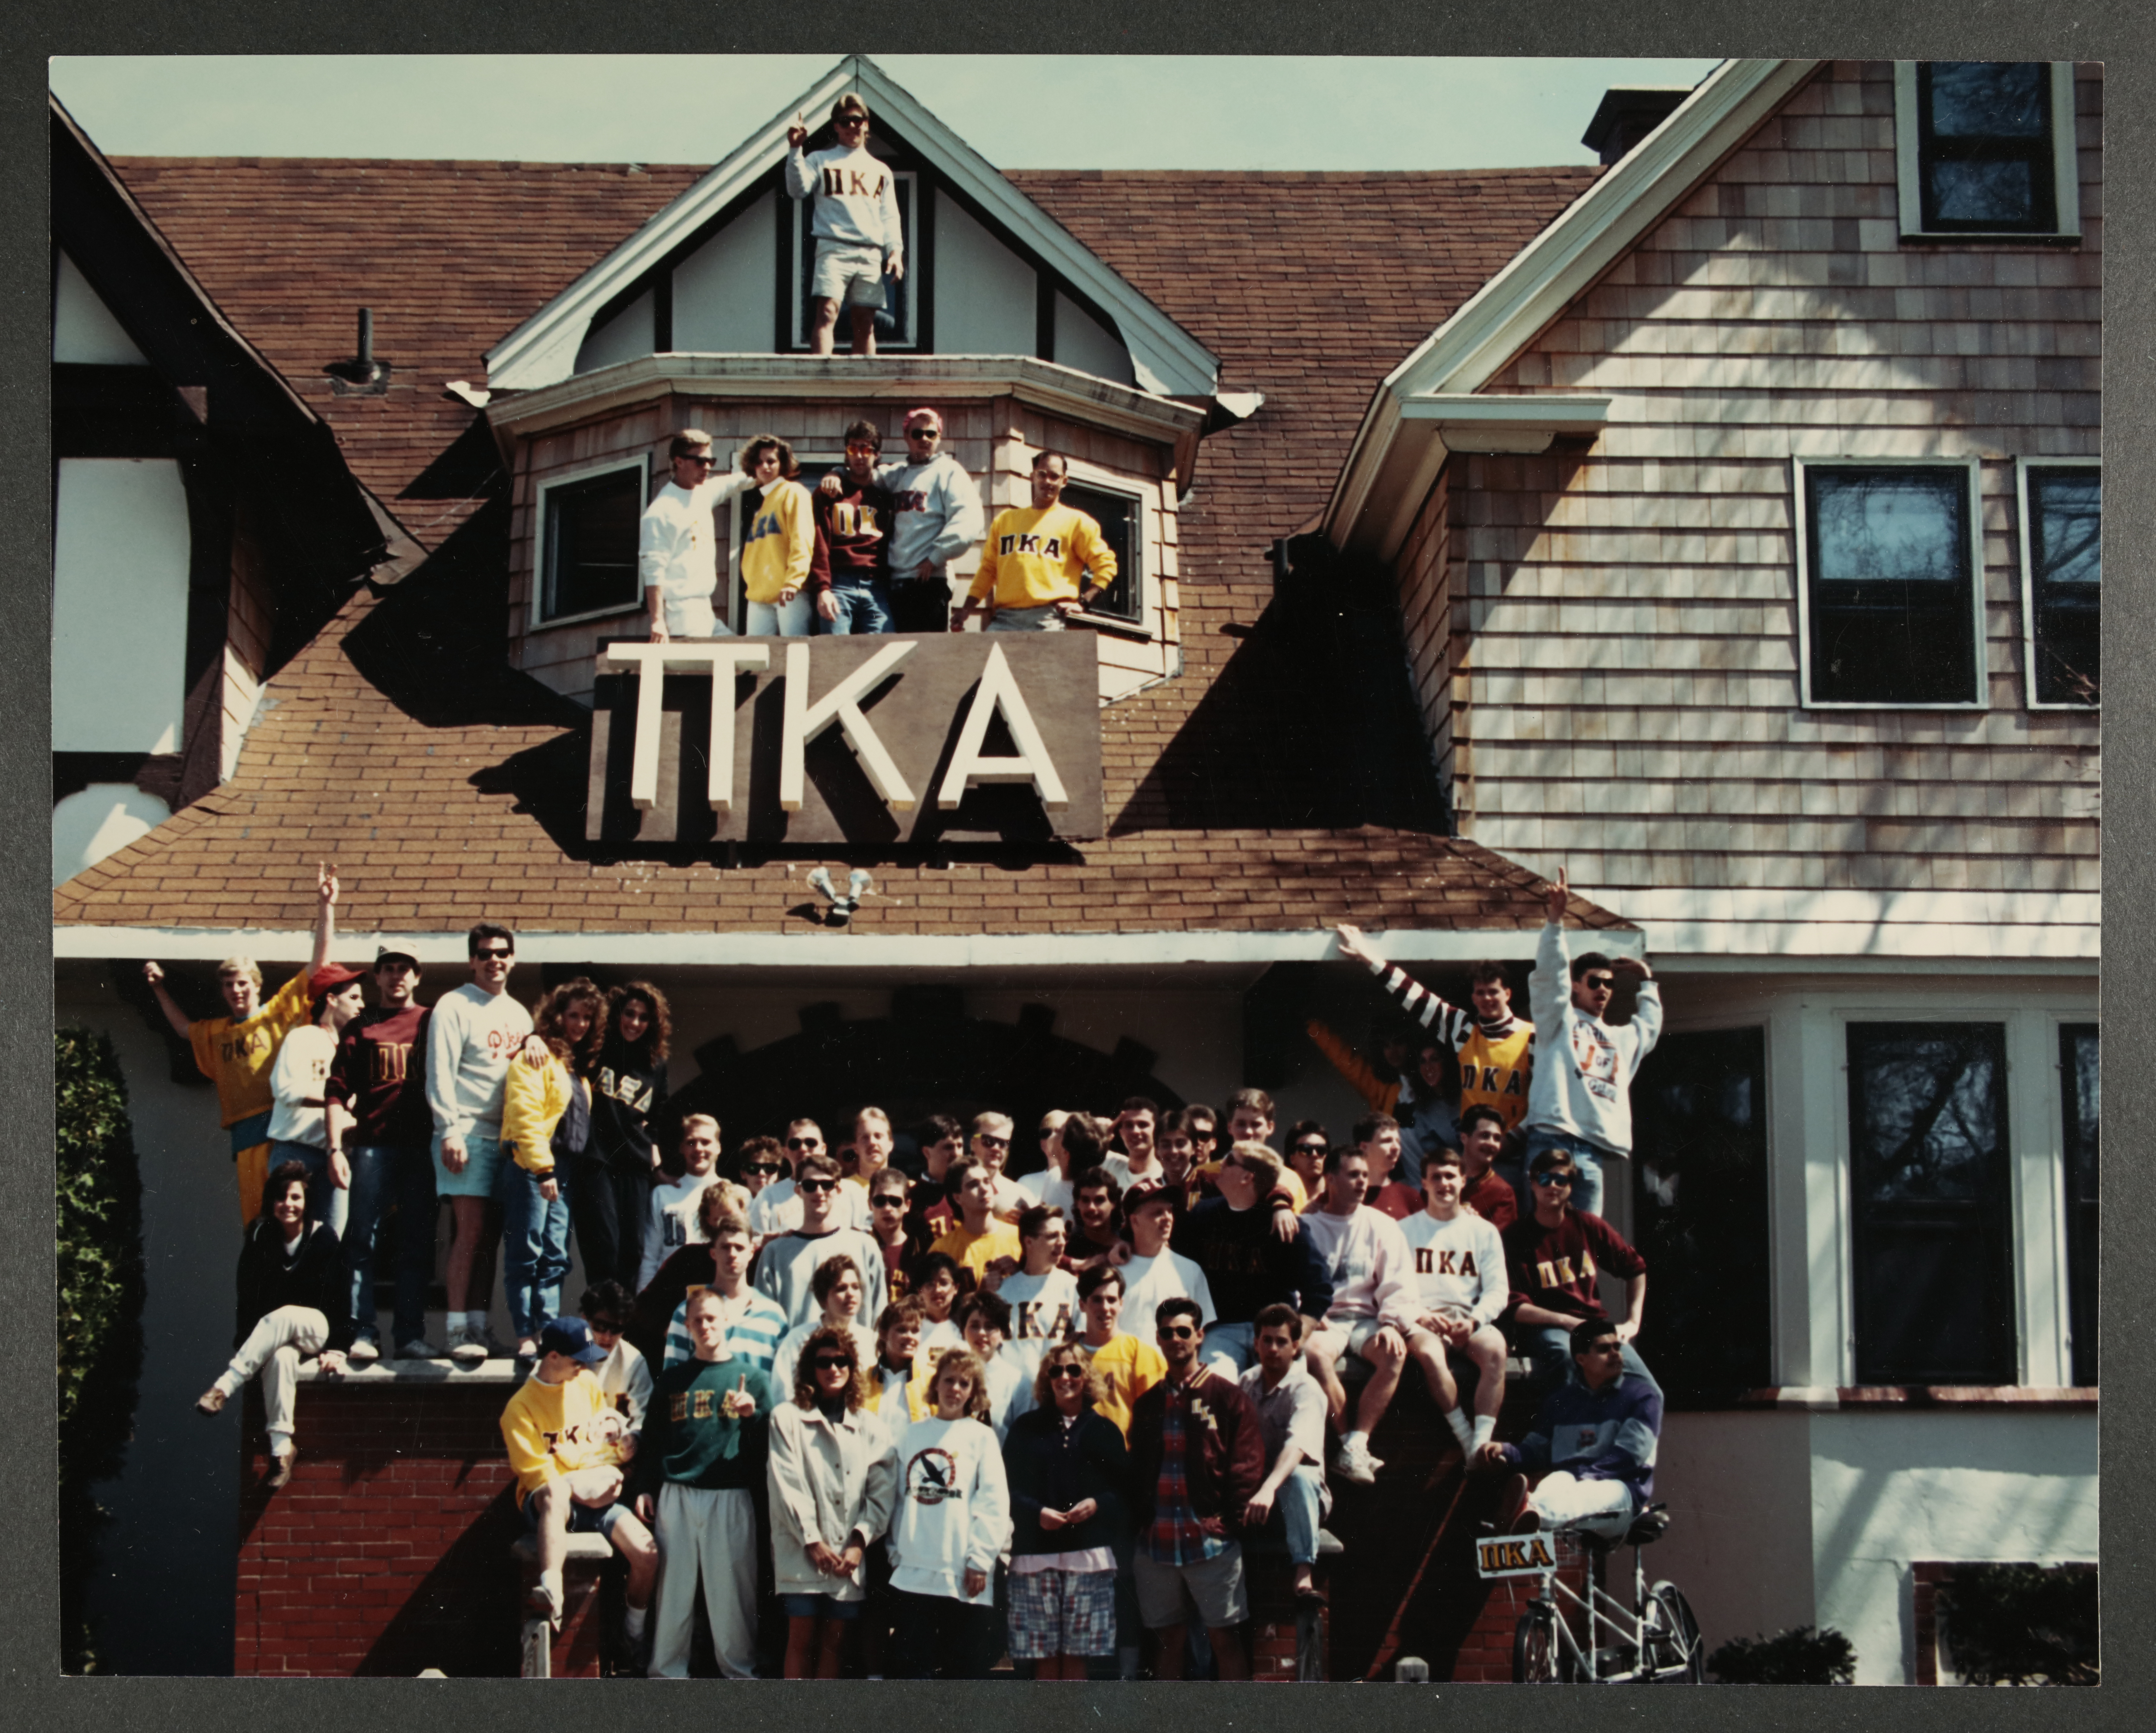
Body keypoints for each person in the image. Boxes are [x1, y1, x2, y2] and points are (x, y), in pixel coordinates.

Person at [142, 862, 337, 1226]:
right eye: (230, 985)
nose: (236, 990)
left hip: (286, 1133)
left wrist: (326, 906)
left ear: (257, 985)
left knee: (296, 1221)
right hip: (247, 1140)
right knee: (259, 1225)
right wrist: (158, 988)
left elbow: (319, 965)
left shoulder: (277, 1014)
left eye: (243, 983)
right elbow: (185, 1030)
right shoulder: (220, 1031)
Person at [634, 1288, 775, 1678]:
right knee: (674, 1595)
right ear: (687, 1326)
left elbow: (768, 1451)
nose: (705, 1326)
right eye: (697, 1320)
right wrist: (646, 1487)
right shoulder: (673, 1380)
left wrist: (751, 1417)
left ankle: (739, 1675)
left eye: (712, 1318)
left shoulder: (753, 1380)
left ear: (726, 1319)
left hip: (730, 1496)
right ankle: (666, 1676)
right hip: (677, 1495)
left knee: (732, 1596)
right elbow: (654, 1439)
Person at [1127, 1298, 1262, 1680]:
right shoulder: (1149, 1404)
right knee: (1168, 1641)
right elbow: (1138, 1470)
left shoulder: (1226, 1397)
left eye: (1183, 1331)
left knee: (1225, 1640)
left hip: (1211, 1544)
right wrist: (1142, 1520)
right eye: (1167, 1332)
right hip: (1158, 1545)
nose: (1175, 1339)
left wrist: (1227, 1522)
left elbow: (1247, 1465)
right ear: (1158, 1338)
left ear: (1200, 1335)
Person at [195, 1160, 353, 1488]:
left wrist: (339, 1346)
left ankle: (224, 1386)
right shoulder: (259, 1236)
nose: (289, 1205)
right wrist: (249, 1343)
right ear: (271, 1202)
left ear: (306, 1201)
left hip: (316, 1329)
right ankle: (282, 1451)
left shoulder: (324, 1237)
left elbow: (340, 1297)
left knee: (284, 1314)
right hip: (278, 1335)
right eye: (281, 1198)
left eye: (295, 1197)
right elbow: (248, 1297)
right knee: (280, 1358)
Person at [499, 1315, 658, 1633]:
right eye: (578, 1360)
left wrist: (614, 1464)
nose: (584, 1367)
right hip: (549, 1501)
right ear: (553, 1356)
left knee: (647, 1553)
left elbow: (599, 1441)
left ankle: (634, 1632)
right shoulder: (519, 1407)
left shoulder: (585, 1383)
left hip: (593, 1490)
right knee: (556, 1492)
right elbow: (536, 1474)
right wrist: (582, 1487)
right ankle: (551, 1590)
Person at [1520, 867, 1662, 1219]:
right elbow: (1549, 978)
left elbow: (1648, 1027)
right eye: (1594, 981)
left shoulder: (1618, 1038)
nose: (1603, 989)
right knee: (1540, 1237)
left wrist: (1646, 981)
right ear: (1576, 986)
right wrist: (1555, 921)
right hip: (1551, 1138)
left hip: (1591, 1151)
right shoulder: (1558, 1019)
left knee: (1586, 1242)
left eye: (1609, 984)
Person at [426, 922, 534, 1363]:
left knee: (491, 1237)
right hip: (466, 1133)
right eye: (485, 954)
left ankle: (478, 1324)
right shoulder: (454, 1006)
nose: (495, 961)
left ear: (512, 959)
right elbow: (440, 1073)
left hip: (507, 1139)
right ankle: (455, 1329)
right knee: (468, 1232)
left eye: (502, 953)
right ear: (472, 960)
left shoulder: (519, 1014)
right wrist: (449, 1129)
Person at [767, 1323, 900, 1678]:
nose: (833, 1369)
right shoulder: (786, 1417)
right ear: (811, 1367)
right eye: (824, 1362)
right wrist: (812, 1540)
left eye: (842, 1360)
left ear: (852, 1367)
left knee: (834, 1644)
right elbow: (787, 1485)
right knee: (800, 1640)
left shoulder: (871, 1426)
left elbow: (882, 1489)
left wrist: (858, 1543)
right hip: (801, 1553)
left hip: (847, 1559)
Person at [324, 940, 436, 1360]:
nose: (397, 976)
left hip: (421, 1150)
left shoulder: (432, 1021)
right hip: (373, 1147)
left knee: (416, 1244)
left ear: (417, 975)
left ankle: (409, 1335)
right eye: (388, 968)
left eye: (405, 968)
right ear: (377, 976)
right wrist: (335, 1148)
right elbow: (336, 1091)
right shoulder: (362, 1025)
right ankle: (363, 1333)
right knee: (361, 1241)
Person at [1335, 923, 1538, 1150]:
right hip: (1470, 1153)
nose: (1487, 998)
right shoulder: (1464, 1029)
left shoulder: (1530, 1037)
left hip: (1514, 1152)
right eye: (1480, 992)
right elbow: (1416, 997)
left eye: (1493, 991)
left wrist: (1512, 1140)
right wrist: (1368, 957)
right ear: (1473, 997)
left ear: (1507, 994)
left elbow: (1547, 1099)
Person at [1003, 1342, 1130, 1680]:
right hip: (1035, 1555)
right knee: (1044, 1656)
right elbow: (1007, 1489)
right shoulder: (1026, 1428)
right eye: (1056, 1370)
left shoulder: (1104, 1429)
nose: (1064, 1377)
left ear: (1086, 1376)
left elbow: (1123, 1490)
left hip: (1088, 1555)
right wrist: (1036, 1511)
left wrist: (1098, 1503)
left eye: (1073, 1369)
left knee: (1077, 1656)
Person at [1475, 1318, 1664, 1543]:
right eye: (1604, 1349)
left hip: (1621, 1492)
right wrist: (1504, 1452)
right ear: (1581, 1359)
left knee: (1582, 1492)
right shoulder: (1560, 1402)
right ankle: (1527, 1514)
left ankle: (1523, 1517)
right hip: (1567, 1485)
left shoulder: (1642, 1397)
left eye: (1617, 1347)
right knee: (1557, 1481)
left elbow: (1628, 1457)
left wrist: (1583, 1478)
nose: (1615, 1354)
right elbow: (1536, 1449)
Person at [887, 1349, 1011, 1679]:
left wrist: (980, 1559)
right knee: (913, 1671)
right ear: (936, 1384)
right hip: (914, 1572)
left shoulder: (982, 1437)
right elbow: (898, 1499)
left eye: (964, 1382)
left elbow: (994, 1502)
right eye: (949, 1379)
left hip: (963, 1576)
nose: (955, 1388)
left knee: (963, 1674)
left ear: (973, 1391)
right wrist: (895, 1551)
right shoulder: (911, 1434)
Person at [1300, 1146, 1419, 1483]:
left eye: (1365, 1175)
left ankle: (1357, 1442)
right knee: (1313, 1354)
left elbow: (1399, 1281)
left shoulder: (1382, 1225)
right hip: (1325, 1319)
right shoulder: (1306, 1225)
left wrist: (1393, 1323)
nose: (1361, 1182)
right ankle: (1345, 1443)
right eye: (1353, 1175)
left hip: (1366, 1320)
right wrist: (1307, 1313)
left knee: (1394, 1354)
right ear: (1331, 1179)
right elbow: (1290, 1279)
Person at [498, 978, 603, 1357]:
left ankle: (547, 1329)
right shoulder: (535, 1056)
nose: (579, 1024)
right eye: (572, 1015)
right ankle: (526, 1332)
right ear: (556, 1016)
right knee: (527, 1249)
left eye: (587, 1018)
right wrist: (542, 1169)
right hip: (532, 1163)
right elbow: (525, 1115)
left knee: (556, 1252)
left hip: (565, 1169)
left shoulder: (575, 1064)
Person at [1504, 1147, 1657, 1398]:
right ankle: (1572, 1434)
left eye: (1560, 1180)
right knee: (1568, 1359)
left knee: (1646, 1390)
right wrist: (1564, 1321)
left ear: (1570, 1186)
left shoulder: (1587, 1225)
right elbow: (1515, 1307)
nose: (1552, 1186)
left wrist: (1632, 1323)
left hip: (1593, 1326)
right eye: (1544, 1179)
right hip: (1547, 1330)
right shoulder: (1516, 1237)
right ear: (1532, 1183)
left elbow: (1636, 1269)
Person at [1175, 1143, 1334, 1377]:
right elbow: (1173, 1261)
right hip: (1223, 1332)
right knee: (1213, 1391)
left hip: (1276, 1334)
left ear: (1247, 1177)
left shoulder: (1287, 1226)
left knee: (1285, 1396)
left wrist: (1297, 1335)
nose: (1221, 1163)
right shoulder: (1203, 1215)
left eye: (1229, 1161)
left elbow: (1320, 1290)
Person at [1398, 1147, 1510, 1456]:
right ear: (1423, 1182)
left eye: (1450, 1176)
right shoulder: (1404, 1230)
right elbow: (1393, 1289)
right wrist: (1420, 1314)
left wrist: (1474, 1320)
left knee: (1496, 1350)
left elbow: (1498, 1290)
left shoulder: (1483, 1231)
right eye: (1436, 1176)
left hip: (1467, 1318)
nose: (1443, 1183)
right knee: (1431, 1355)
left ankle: (1481, 1442)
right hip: (1424, 1321)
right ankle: (1465, 1437)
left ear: (1463, 1180)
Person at [783, 93, 905, 358]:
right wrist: (795, 150)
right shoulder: (819, 160)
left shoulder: (880, 170)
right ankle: (822, 378)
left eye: (857, 120)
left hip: (870, 253)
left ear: (867, 124)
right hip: (833, 247)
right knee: (827, 311)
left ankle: (864, 383)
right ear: (836, 126)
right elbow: (797, 189)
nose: (852, 126)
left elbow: (890, 216)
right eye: (845, 121)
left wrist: (895, 252)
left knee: (865, 321)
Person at [845, 406, 984, 633]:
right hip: (896, 581)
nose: (924, 439)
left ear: (939, 437)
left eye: (931, 434)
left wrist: (937, 556)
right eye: (917, 433)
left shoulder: (949, 471)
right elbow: (863, 476)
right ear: (906, 437)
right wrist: (836, 473)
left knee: (924, 656)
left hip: (929, 580)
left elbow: (969, 518)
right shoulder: (897, 474)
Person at [575, 982, 672, 1292]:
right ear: (616, 1014)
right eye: (629, 1013)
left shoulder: (656, 1064)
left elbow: (657, 1118)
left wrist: (657, 1165)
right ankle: (600, 1320)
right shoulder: (596, 1048)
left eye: (644, 1017)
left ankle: (621, 1326)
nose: (635, 1022)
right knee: (604, 1246)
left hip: (635, 1165)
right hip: (597, 1160)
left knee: (632, 1250)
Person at [954, 451, 1118, 633]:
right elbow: (988, 569)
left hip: (1050, 619)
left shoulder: (1077, 522)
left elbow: (1107, 565)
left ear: (1064, 481)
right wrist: (966, 610)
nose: (1048, 481)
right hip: (1005, 619)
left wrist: (1084, 602)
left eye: (1055, 476)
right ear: (1033, 477)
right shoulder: (1005, 521)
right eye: (1042, 475)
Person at [264, 963, 366, 1236]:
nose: (362, 1005)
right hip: (296, 1152)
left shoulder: (356, 1047)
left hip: (338, 1156)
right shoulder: (303, 1037)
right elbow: (285, 1089)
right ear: (332, 999)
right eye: (354, 997)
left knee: (332, 1239)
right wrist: (337, 1099)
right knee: (287, 1238)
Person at [1238, 1305, 1331, 1605]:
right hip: (1257, 1497)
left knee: (1300, 1475)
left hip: (1300, 1497)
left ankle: (1304, 1568)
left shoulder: (1307, 1389)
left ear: (1295, 1345)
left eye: (1281, 1341)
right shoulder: (1246, 1382)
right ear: (1255, 1344)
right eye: (1267, 1340)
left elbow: (1297, 1447)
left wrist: (1268, 1488)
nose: (1273, 1348)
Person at [637, 1210, 789, 1376]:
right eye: (725, 1247)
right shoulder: (687, 1312)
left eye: (739, 1248)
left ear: (752, 1252)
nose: (732, 1254)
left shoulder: (773, 1316)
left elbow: (780, 1385)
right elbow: (673, 1383)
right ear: (713, 1253)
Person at [639, 429, 755, 640]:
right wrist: (657, 621)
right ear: (679, 461)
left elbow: (738, 482)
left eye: (711, 460)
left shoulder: (702, 493)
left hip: (705, 611)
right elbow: (653, 570)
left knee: (739, 658)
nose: (708, 467)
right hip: (681, 613)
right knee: (703, 671)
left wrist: (770, 470)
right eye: (700, 462)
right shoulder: (661, 512)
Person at [756, 1152, 890, 1328]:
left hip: (855, 1352)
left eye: (827, 1185)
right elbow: (764, 1321)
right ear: (798, 1191)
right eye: (810, 1185)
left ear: (839, 1190)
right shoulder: (775, 1252)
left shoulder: (865, 1247)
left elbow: (880, 1316)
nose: (819, 1192)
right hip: (796, 1353)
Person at [808, 420, 896, 634]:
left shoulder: (887, 495)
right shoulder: (829, 493)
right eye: (853, 449)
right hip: (838, 584)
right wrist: (823, 589)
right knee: (834, 653)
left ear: (877, 455)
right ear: (846, 453)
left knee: (885, 649)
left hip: (876, 586)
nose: (859, 455)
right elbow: (819, 543)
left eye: (867, 449)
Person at [985, 1205, 1080, 1387]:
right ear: (1029, 1242)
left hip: (1058, 1391)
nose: (1062, 1242)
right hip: (1013, 1392)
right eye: (1053, 1236)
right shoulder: (1004, 1290)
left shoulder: (1073, 1287)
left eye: (1064, 1236)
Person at [1116, 1182, 1217, 1348]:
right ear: (1134, 1221)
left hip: (1174, 1370)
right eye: (1157, 1213)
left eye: (1170, 1211)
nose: (1167, 1218)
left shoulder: (1189, 1270)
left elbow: (1203, 1331)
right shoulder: (1115, 1272)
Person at [1072, 1265, 1166, 1439]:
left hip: (1123, 1459)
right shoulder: (1066, 1356)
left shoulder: (1141, 1354)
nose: (1105, 1308)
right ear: (1082, 1305)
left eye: (1112, 1300)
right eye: (1097, 1300)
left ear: (1122, 1304)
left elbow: (1155, 1421)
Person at [738, 434, 815, 637]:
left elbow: (803, 539)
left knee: (795, 654)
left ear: (782, 463)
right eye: (758, 462)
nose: (765, 467)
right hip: (759, 595)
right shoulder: (763, 505)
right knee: (756, 659)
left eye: (771, 461)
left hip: (790, 592)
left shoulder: (794, 492)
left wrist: (794, 581)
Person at [770, 1254, 879, 1396]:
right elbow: (783, 1391)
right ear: (824, 1297)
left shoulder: (871, 1340)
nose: (851, 1294)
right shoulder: (799, 1339)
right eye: (841, 1288)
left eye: (856, 1287)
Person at [638, 1116, 722, 1294]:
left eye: (706, 1142)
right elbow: (650, 1258)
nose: (699, 1148)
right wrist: (643, 1302)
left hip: (716, 1294)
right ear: (682, 1148)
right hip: (671, 1293)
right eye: (691, 1143)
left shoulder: (735, 1195)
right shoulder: (663, 1195)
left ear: (718, 1147)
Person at [751, 1118, 868, 1235]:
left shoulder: (853, 1192)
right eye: (795, 1144)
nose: (803, 1149)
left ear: (824, 1149)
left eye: (811, 1143)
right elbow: (754, 1241)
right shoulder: (768, 1196)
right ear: (785, 1152)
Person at [930, 1158, 1023, 1284]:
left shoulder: (1020, 1236)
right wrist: (981, 1293)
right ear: (958, 1198)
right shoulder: (944, 1249)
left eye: (987, 1182)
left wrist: (1021, 1273)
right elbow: (936, 1300)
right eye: (974, 1185)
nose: (984, 1189)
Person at [581, 1280, 652, 1436]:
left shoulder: (634, 1361)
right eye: (600, 1326)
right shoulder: (568, 1355)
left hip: (616, 1445)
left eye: (617, 1329)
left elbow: (643, 1417)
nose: (608, 1336)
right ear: (585, 1319)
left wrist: (633, 1439)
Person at [954, 1290, 1028, 1442]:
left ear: (1003, 1334)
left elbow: (1025, 1441)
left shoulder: (1019, 1383)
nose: (982, 1333)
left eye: (990, 1327)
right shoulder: (951, 1376)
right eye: (974, 1326)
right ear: (963, 1331)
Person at [864, 1298, 935, 1437]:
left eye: (915, 1331)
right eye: (902, 1330)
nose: (910, 1337)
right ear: (884, 1333)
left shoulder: (933, 1379)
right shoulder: (862, 1380)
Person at [1455, 1104, 1520, 1230]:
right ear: (1464, 1138)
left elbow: (1496, 1242)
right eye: (1485, 1136)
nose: (1492, 1144)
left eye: (1497, 1138)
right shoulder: (1442, 1177)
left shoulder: (1503, 1192)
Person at [864, 1167, 923, 1299]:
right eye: (880, 1201)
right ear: (870, 1204)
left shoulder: (919, 1250)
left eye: (895, 1202)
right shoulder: (859, 1247)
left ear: (907, 1205)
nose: (888, 1208)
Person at [1354, 1112, 1423, 1222]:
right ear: (1363, 1147)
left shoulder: (1410, 1197)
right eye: (1387, 1141)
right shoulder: (1345, 1194)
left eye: (1398, 1142)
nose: (1396, 1148)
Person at [1066, 1164, 1126, 1274]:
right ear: (1077, 1203)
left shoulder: (1127, 1247)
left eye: (1099, 1200)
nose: (1091, 1208)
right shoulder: (1067, 1248)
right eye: (1085, 1200)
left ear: (1114, 1203)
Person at [1018, 1111, 1075, 1213]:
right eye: (1047, 1133)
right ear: (1042, 1143)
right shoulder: (1026, 1183)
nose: (1053, 1137)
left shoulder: (1084, 1182)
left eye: (1060, 1132)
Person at [912, 1252, 966, 1353]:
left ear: (956, 1288)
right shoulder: (911, 1327)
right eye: (930, 1285)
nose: (938, 1290)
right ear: (920, 1291)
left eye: (944, 1283)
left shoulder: (966, 1327)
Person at [1103, 1097, 1162, 1190]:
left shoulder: (1166, 1177)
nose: (1135, 1132)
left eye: (1143, 1125)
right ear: (1121, 1133)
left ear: (1158, 1130)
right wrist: (1094, 1127)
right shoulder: (1110, 1164)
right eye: (1129, 1125)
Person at [843, 1106, 896, 1199]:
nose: (872, 1142)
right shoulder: (842, 1190)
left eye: (878, 1136)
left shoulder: (908, 1188)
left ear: (890, 1144)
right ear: (855, 1148)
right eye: (865, 1137)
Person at [1282, 1121, 1329, 1205]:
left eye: (1321, 1150)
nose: (1315, 1155)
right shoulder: (1279, 1195)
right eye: (1306, 1150)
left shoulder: (1339, 1196)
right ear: (1292, 1158)